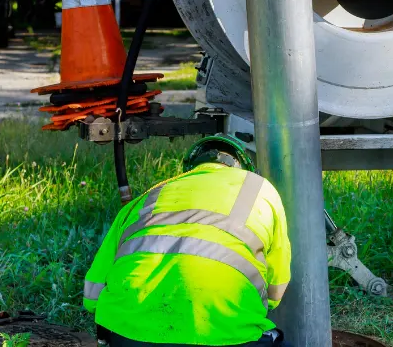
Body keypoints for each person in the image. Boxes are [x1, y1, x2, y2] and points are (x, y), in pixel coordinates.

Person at [82, 135, 292, 347]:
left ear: (191, 169)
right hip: (223, 333)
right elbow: (275, 289)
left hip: (128, 333)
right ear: (243, 168)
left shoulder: (144, 199)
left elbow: (92, 296)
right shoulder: (260, 190)